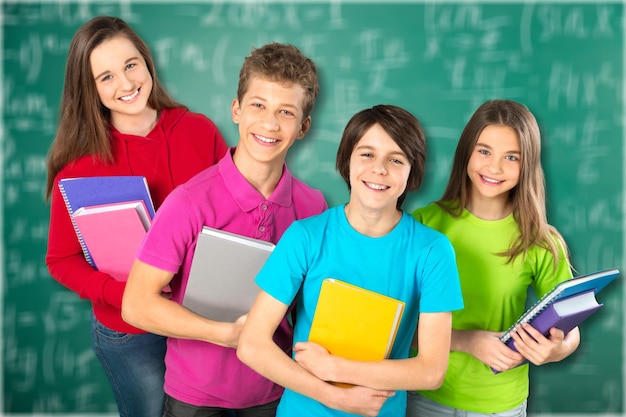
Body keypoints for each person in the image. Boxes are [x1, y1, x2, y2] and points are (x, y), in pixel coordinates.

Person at [121, 42, 328, 416]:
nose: (269, 123)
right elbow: (136, 305)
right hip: (194, 395)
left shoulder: (313, 206)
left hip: (273, 391)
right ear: (236, 110)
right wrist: (226, 334)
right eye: (258, 106)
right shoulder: (189, 201)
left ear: (303, 127)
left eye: (286, 112)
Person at [45, 16, 228, 417]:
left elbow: (231, 215)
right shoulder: (78, 168)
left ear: (147, 62)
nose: (126, 85)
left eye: (131, 65)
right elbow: (60, 260)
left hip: (204, 321)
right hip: (130, 333)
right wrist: (120, 293)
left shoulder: (199, 130)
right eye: (105, 77)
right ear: (89, 89)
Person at [237, 104, 464, 417]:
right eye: (367, 154)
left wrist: (335, 368)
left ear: (413, 171)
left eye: (396, 159)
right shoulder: (306, 237)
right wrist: (333, 396)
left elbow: (430, 371)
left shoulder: (433, 251)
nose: (379, 169)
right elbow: (252, 345)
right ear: (347, 161)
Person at [407, 99, 579, 417]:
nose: (494, 168)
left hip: (501, 406)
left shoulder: (541, 241)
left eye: (511, 157)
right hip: (424, 397)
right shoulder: (424, 224)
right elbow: (397, 325)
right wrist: (467, 341)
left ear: (527, 164)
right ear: (466, 152)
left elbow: (570, 331)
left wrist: (555, 350)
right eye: (484, 151)